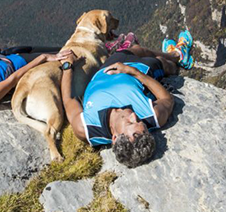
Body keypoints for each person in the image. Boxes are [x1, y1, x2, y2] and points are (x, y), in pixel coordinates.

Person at [60, 31, 194, 167]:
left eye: (130, 123)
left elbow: (69, 100)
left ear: (114, 137)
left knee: (136, 50)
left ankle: (172, 55)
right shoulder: (152, 116)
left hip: (106, 69)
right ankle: (178, 57)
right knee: (162, 63)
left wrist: (67, 66)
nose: (135, 116)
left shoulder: (86, 128)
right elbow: (167, 99)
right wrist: (133, 72)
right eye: (139, 121)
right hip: (141, 70)